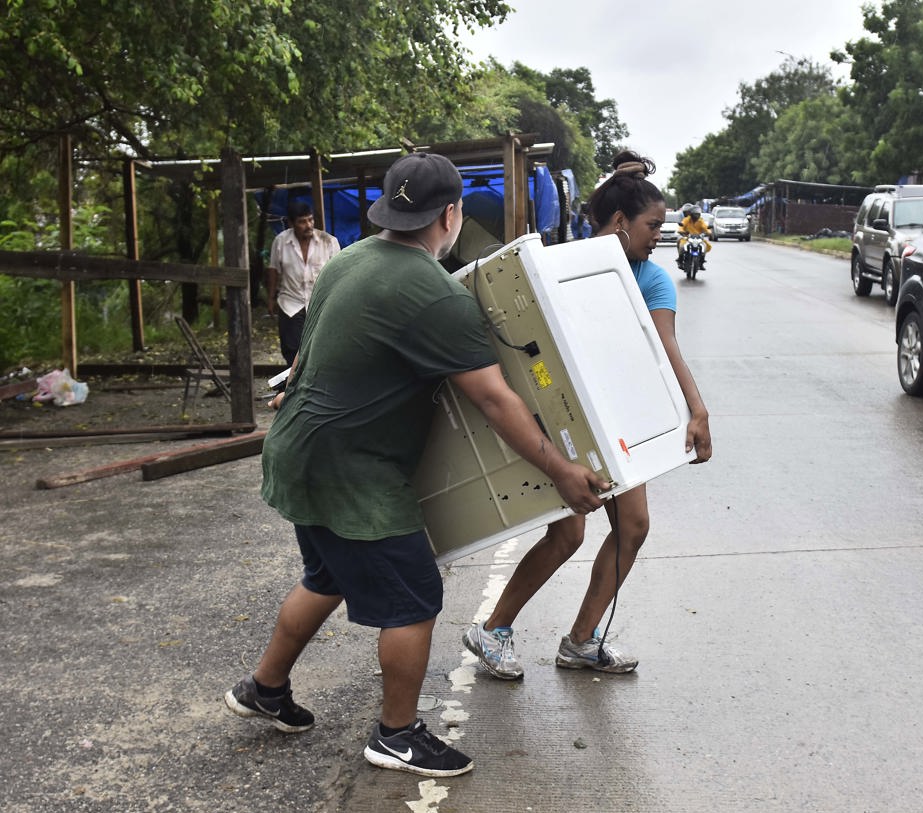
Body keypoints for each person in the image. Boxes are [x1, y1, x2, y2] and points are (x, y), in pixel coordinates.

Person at [224, 153, 609, 778]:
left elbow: (313, 350)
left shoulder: (345, 259)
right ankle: (396, 736)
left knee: (327, 574)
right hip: (353, 470)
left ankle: (263, 689)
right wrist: (562, 470)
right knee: (413, 595)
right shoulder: (433, 293)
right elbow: (493, 398)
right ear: (451, 214)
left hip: (297, 449)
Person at [463, 150, 712, 679]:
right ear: (619, 222)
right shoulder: (557, 266)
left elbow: (666, 349)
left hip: (618, 419)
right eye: (651, 226)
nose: (658, 236)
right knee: (567, 533)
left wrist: (697, 409)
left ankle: (581, 640)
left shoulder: (653, 279)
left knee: (633, 526)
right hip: (559, 418)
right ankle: (494, 630)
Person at [266, 200, 340, 365]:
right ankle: (294, 387)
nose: (308, 225)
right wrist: (270, 298)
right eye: (302, 221)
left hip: (320, 304)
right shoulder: (280, 242)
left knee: (321, 349)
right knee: (292, 351)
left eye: (310, 220)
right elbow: (273, 269)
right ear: (291, 223)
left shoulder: (328, 242)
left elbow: (338, 272)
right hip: (291, 303)